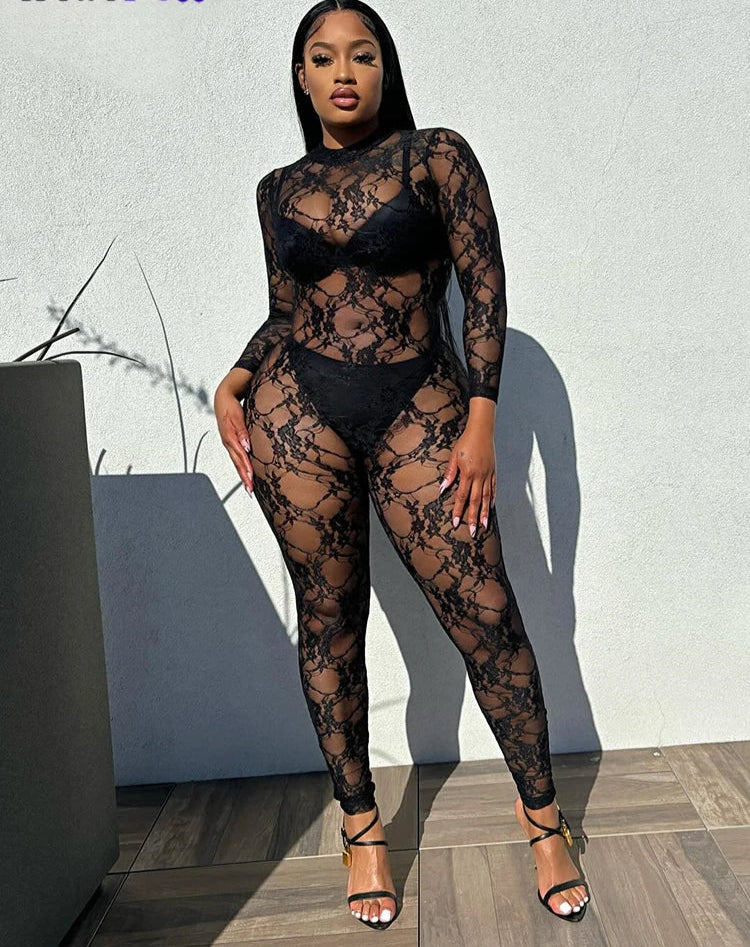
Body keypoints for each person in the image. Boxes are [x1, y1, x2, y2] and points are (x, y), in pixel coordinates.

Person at [214, 0, 591, 931]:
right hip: (297, 414)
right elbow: (287, 310)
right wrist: (236, 378)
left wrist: (482, 417)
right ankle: (362, 831)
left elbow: (485, 286)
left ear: (385, 67)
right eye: (323, 57)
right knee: (328, 623)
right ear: (301, 77)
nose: (343, 72)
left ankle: (544, 821)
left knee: (488, 618)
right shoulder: (276, 189)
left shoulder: (436, 156)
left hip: (422, 402)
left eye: (363, 54)